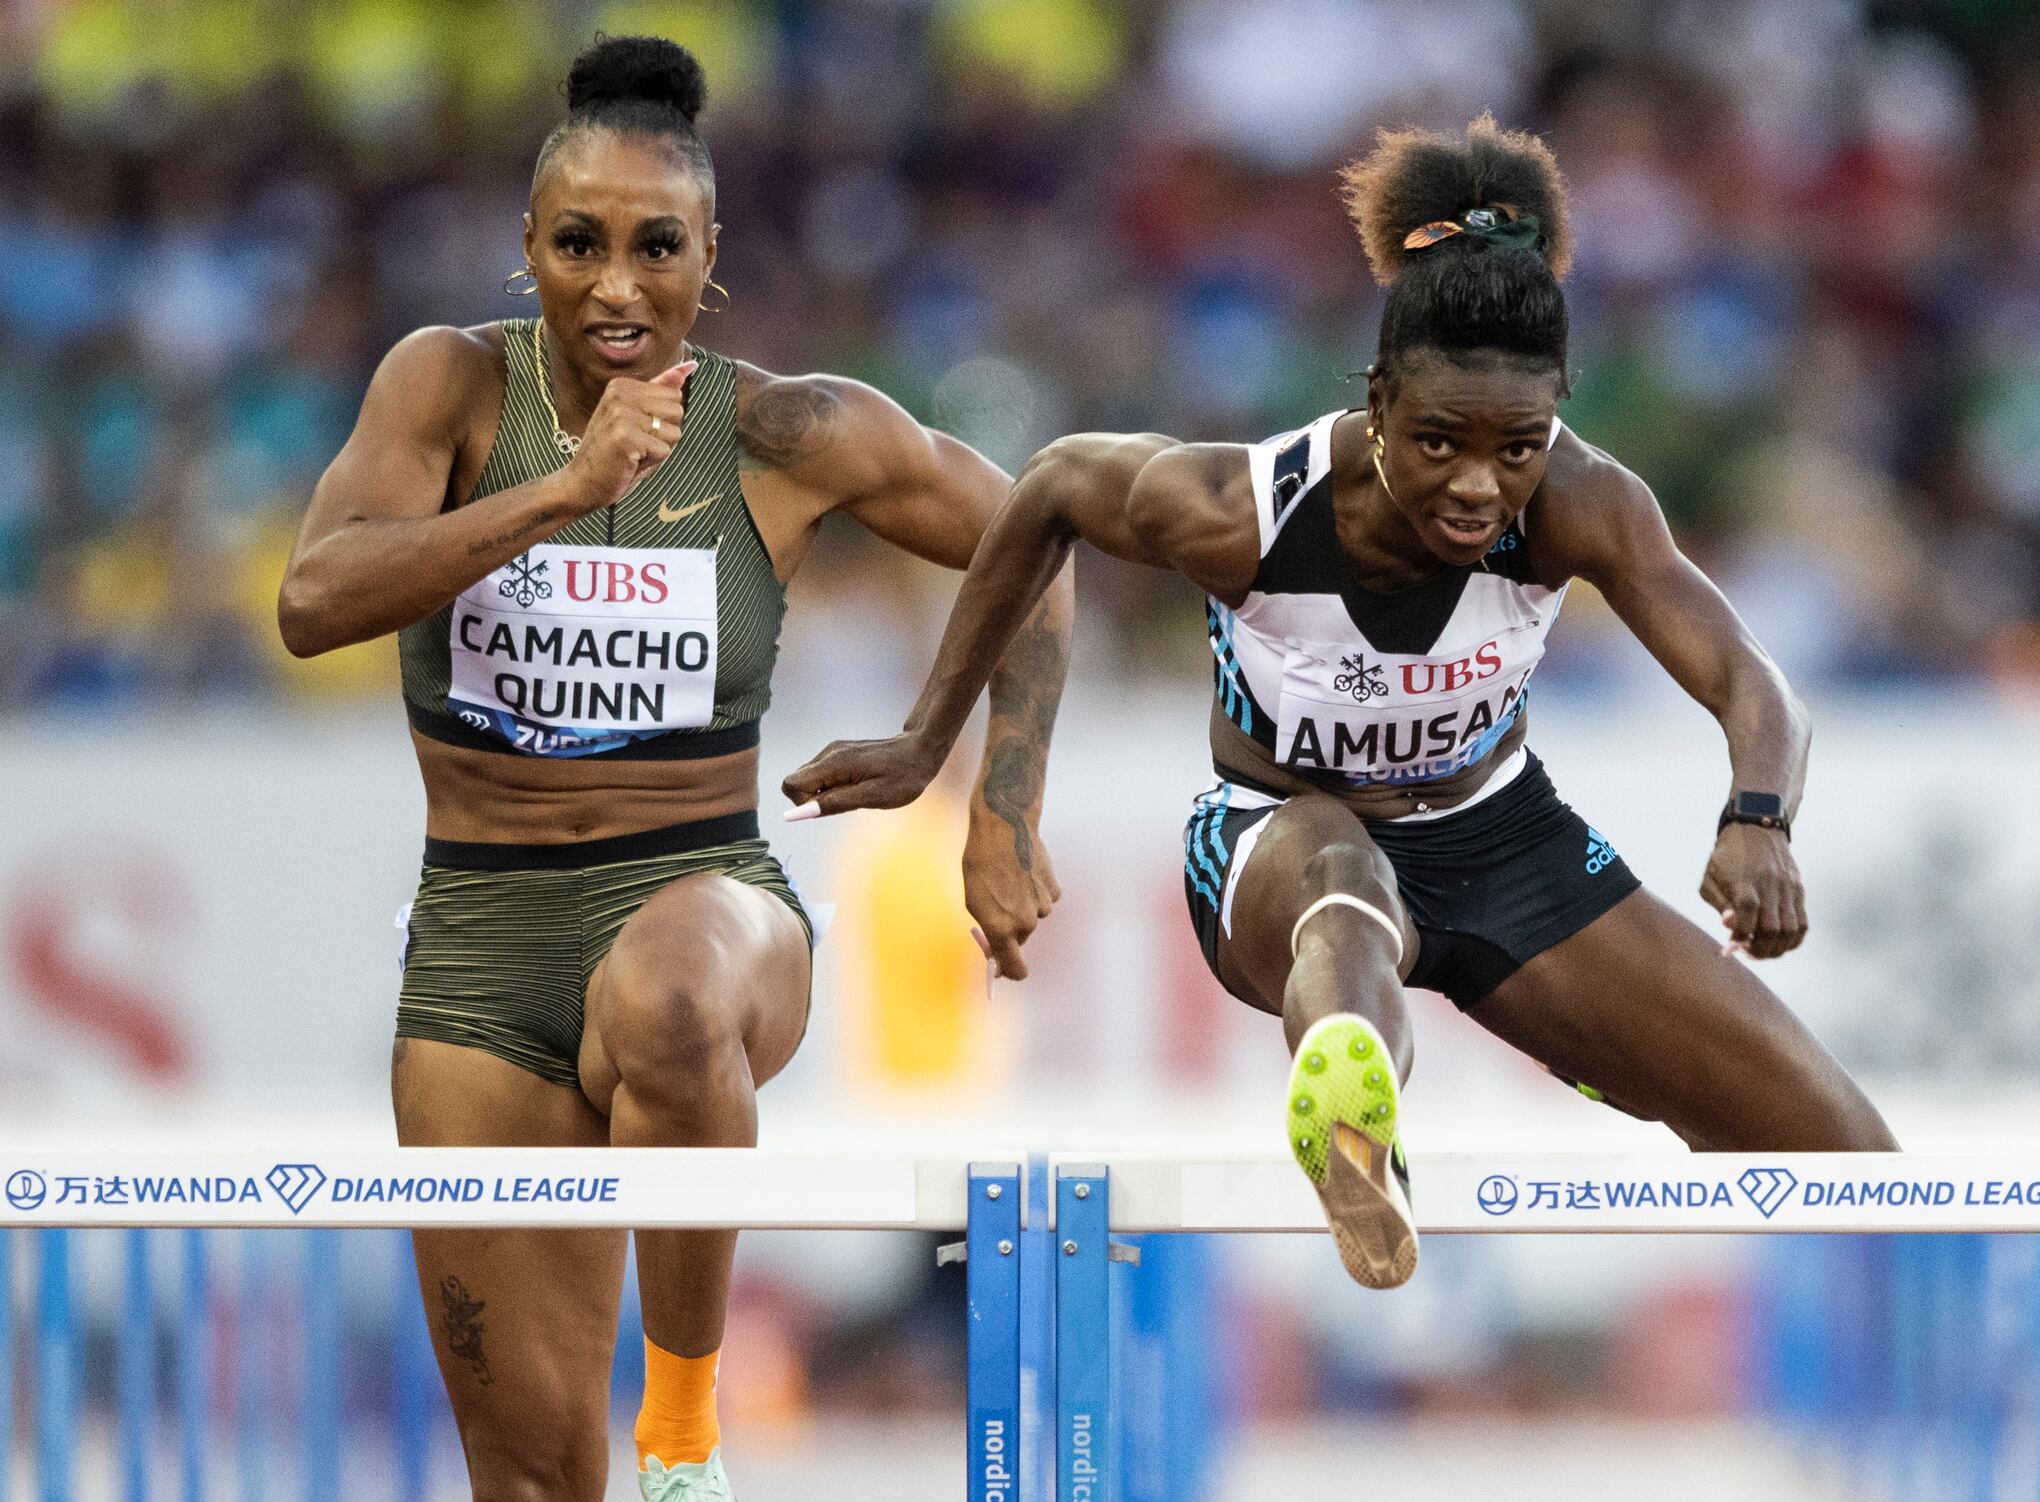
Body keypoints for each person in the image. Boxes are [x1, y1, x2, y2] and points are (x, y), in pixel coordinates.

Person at [277, 36, 1072, 1502]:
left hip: (709, 888)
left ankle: (692, 1435)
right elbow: (316, 601)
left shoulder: (788, 432)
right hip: (481, 945)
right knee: (521, 1499)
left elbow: (1038, 541)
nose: (617, 282)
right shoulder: (449, 391)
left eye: (657, 246)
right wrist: (560, 495)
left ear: (713, 263)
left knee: (670, 991)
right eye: (580, 243)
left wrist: (985, 791)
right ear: (530, 249)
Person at [784, 115, 1894, 1292]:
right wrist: (946, 753)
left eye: (1514, 447)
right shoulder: (1244, 511)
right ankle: (1352, 1113)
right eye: (1437, 443)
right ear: (1376, 401)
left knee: (1859, 1165)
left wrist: (1760, 814)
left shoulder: (1583, 502)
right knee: (1345, 883)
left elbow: (1751, 679)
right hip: (1280, 831)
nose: (1477, 486)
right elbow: (1051, 487)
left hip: (1504, 842)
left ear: (1556, 415)